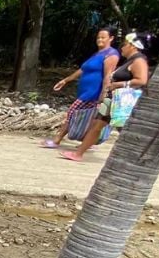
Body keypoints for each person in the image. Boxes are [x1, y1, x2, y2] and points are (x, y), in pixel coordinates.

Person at [61, 31, 152, 162]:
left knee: (120, 129)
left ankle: (139, 156)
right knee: (97, 125)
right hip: (111, 101)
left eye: (125, 44)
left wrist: (118, 84)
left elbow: (142, 80)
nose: (122, 47)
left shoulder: (139, 61)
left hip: (121, 102)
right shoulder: (130, 60)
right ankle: (79, 153)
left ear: (133, 46)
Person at [41, 27, 120, 149]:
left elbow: (107, 76)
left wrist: (103, 94)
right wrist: (66, 80)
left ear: (111, 38)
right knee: (88, 118)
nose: (100, 39)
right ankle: (88, 142)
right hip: (85, 90)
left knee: (73, 112)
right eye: (98, 37)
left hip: (93, 92)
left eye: (103, 37)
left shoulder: (111, 55)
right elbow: (82, 70)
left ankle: (57, 140)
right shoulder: (97, 54)